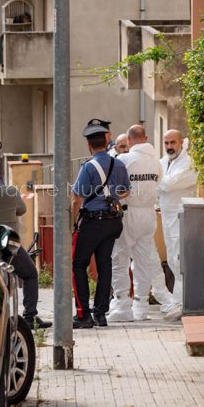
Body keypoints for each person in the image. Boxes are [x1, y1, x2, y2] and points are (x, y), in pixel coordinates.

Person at [107, 125, 178, 322]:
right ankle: (141, 305)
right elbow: (159, 183)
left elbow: (115, 188)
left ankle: (122, 305)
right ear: (145, 138)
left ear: (129, 141)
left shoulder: (124, 160)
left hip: (129, 214)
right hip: (148, 215)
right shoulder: (156, 163)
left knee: (120, 260)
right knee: (144, 261)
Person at [0, 157, 52, 330]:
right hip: (9, 245)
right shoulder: (10, 191)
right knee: (30, 274)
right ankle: (30, 316)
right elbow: (22, 210)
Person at [71, 121, 130, 328]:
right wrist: (112, 196)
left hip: (93, 222)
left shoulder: (88, 167)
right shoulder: (119, 164)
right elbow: (126, 191)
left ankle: (83, 314)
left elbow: (77, 198)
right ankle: (101, 313)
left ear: (89, 145)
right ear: (107, 142)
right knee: (105, 266)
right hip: (113, 222)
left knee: (78, 265)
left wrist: (73, 224)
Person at [158, 129, 198, 321]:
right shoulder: (164, 161)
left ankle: (184, 302)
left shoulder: (188, 163)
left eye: (172, 142)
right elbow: (159, 181)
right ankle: (177, 300)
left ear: (181, 142)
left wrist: (157, 180)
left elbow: (167, 184)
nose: (169, 147)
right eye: (166, 143)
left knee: (180, 258)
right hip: (167, 216)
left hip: (182, 217)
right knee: (173, 259)